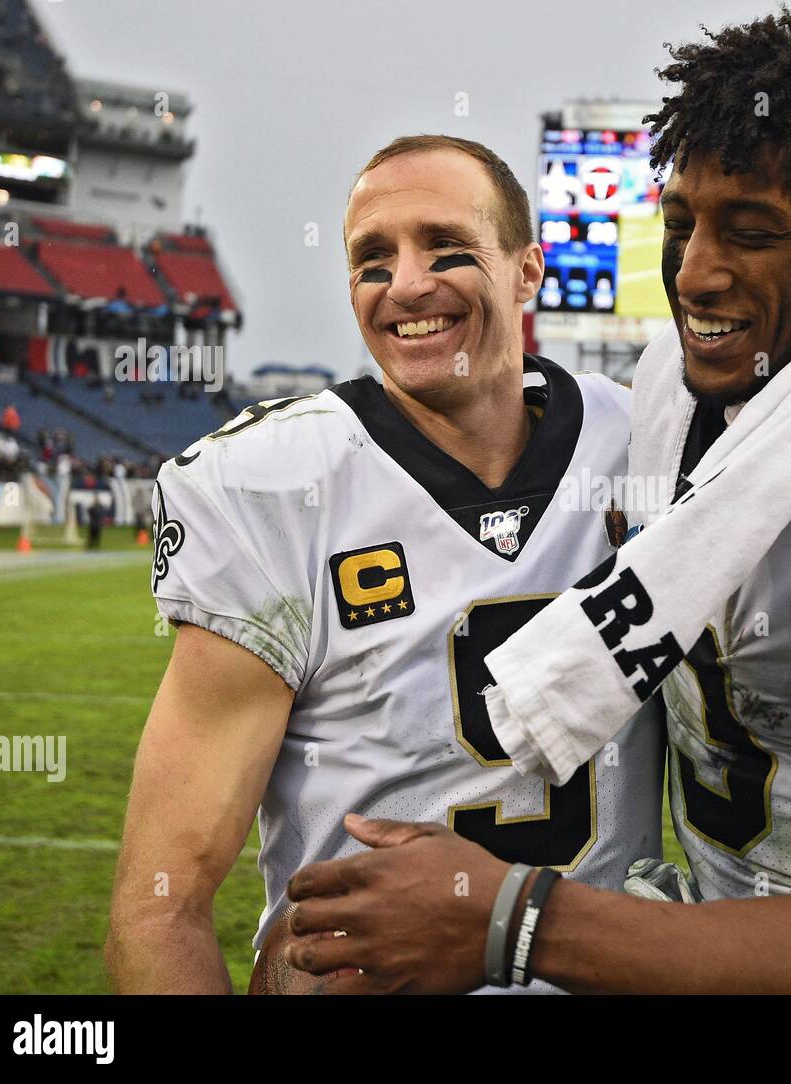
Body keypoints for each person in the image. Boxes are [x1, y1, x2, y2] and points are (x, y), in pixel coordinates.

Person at [281, 3, 791, 994]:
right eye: (681, 225)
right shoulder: (674, 385)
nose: (696, 272)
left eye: (750, 233)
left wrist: (513, 922)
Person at [105, 135, 664, 994]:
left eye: (447, 248)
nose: (406, 284)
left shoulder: (644, 446)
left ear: (527, 271)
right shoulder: (272, 490)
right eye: (374, 259)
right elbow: (159, 905)